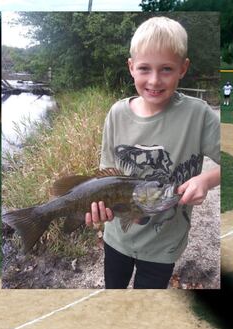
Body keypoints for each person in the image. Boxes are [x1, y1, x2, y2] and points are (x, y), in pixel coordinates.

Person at [86, 16, 220, 289]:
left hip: (164, 245)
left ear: (183, 68)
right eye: (145, 69)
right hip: (117, 239)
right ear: (131, 67)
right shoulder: (117, 113)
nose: (154, 80)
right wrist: (99, 210)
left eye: (167, 69)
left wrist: (205, 180)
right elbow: (105, 175)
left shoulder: (199, 115)